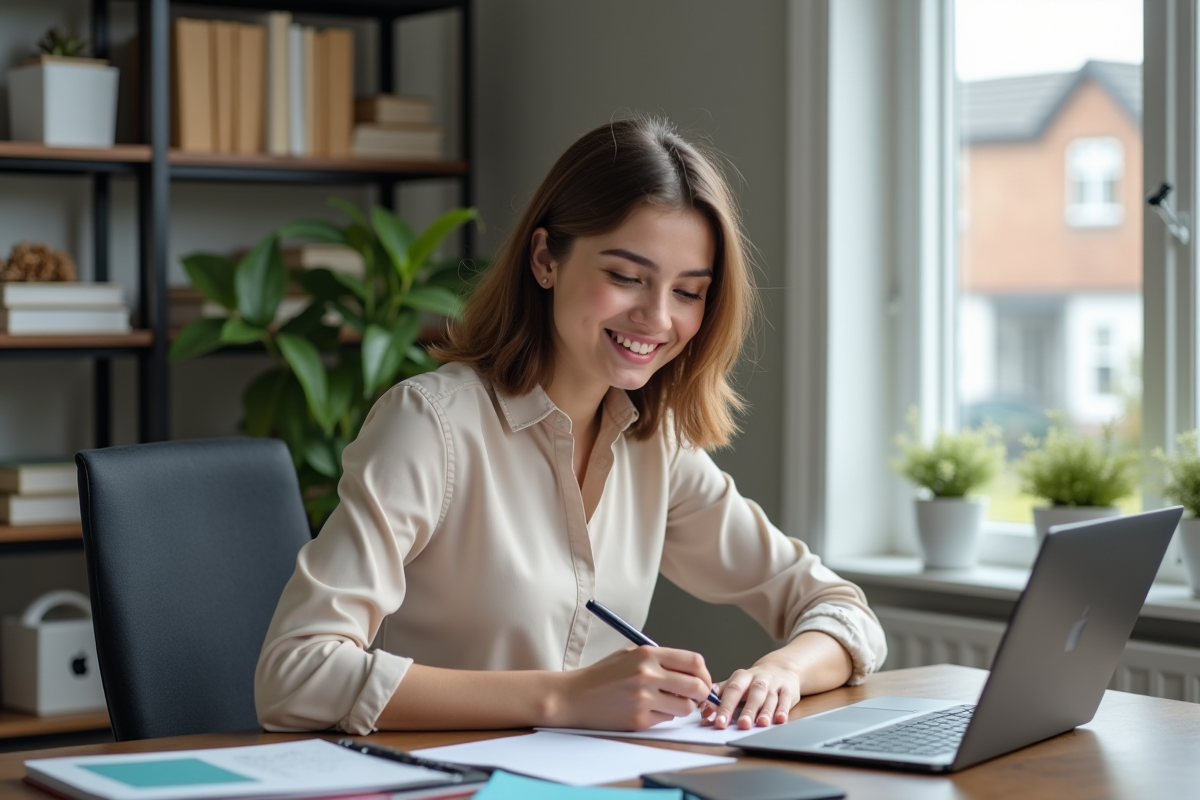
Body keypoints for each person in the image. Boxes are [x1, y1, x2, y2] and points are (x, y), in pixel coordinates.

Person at [255, 117, 887, 736]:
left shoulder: (655, 444)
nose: (656, 317)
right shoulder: (430, 425)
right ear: (545, 259)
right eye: (625, 277)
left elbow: (840, 610)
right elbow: (296, 674)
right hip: (440, 777)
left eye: (688, 292)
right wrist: (562, 697)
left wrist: (783, 672)